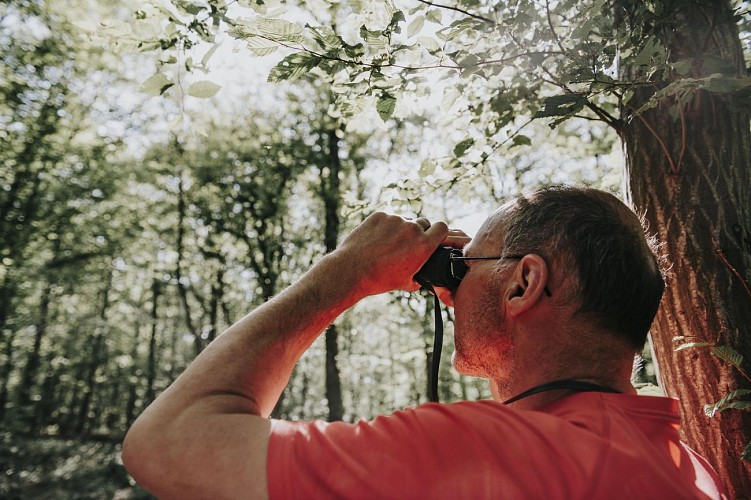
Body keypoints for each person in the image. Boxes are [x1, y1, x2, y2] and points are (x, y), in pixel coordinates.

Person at [122, 185, 726, 499]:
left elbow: (167, 444)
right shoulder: (691, 469)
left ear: (522, 284)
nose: (450, 288)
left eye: (466, 267)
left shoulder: (491, 451)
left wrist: (344, 273)